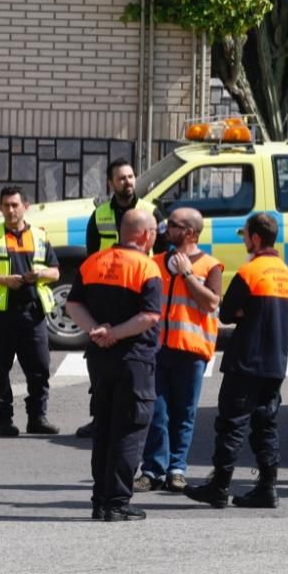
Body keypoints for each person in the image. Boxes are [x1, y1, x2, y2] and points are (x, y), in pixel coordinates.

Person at [184, 212, 288, 509]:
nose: (244, 240)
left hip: (247, 360)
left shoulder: (251, 271)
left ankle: (219, 486)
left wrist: (247, 311)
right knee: (266, 425)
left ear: (256, 238)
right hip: (275, 364)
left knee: (231, 424)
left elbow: (227, 312)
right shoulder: (284, 272)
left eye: (245, 235)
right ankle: (268, 487)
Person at [66, 209, 162, 521]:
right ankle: (117, 503)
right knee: (130, 431)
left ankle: (100, 500)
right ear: (146, 235)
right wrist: (116, 333)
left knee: (104, 429)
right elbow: (149, 316)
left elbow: (73, 304)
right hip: (133, 360)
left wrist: (96, 330)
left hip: (100, 359)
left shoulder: (94, 261)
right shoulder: (147, 267)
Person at [75, 157, 167, 439]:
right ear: (110, 183)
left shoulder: (151, 211)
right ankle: (100, 415)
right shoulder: (100, 214)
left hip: (141, 290)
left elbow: (163, 253)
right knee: (101, 359)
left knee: (139, 357)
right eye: (121, 178)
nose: (127, 182)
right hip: (106, 294)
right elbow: (92, 255)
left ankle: (139, 415)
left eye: (130, 177)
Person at [134, 207, 222, 493]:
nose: (165, 228)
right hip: (157, 349)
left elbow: (211, 303)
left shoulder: (210, 265)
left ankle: (176, 469)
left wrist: (187, 275)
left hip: (192, 351)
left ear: (189, 232)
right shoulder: (155, 262)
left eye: (172, 224)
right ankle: (152, 469)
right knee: (156, 412)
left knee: (184, 413)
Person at [0, 186, 60, 437]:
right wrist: (4, 281)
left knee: (40, 368)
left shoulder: (40, 236)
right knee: (0, 370)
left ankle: (37, 417)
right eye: (6, 205)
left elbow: (55, 271)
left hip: (32, 313)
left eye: (15, 205)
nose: (10, 210)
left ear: (26, 206)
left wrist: (40, 274)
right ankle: (4, 420)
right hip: (1, 315)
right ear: (0, 207)